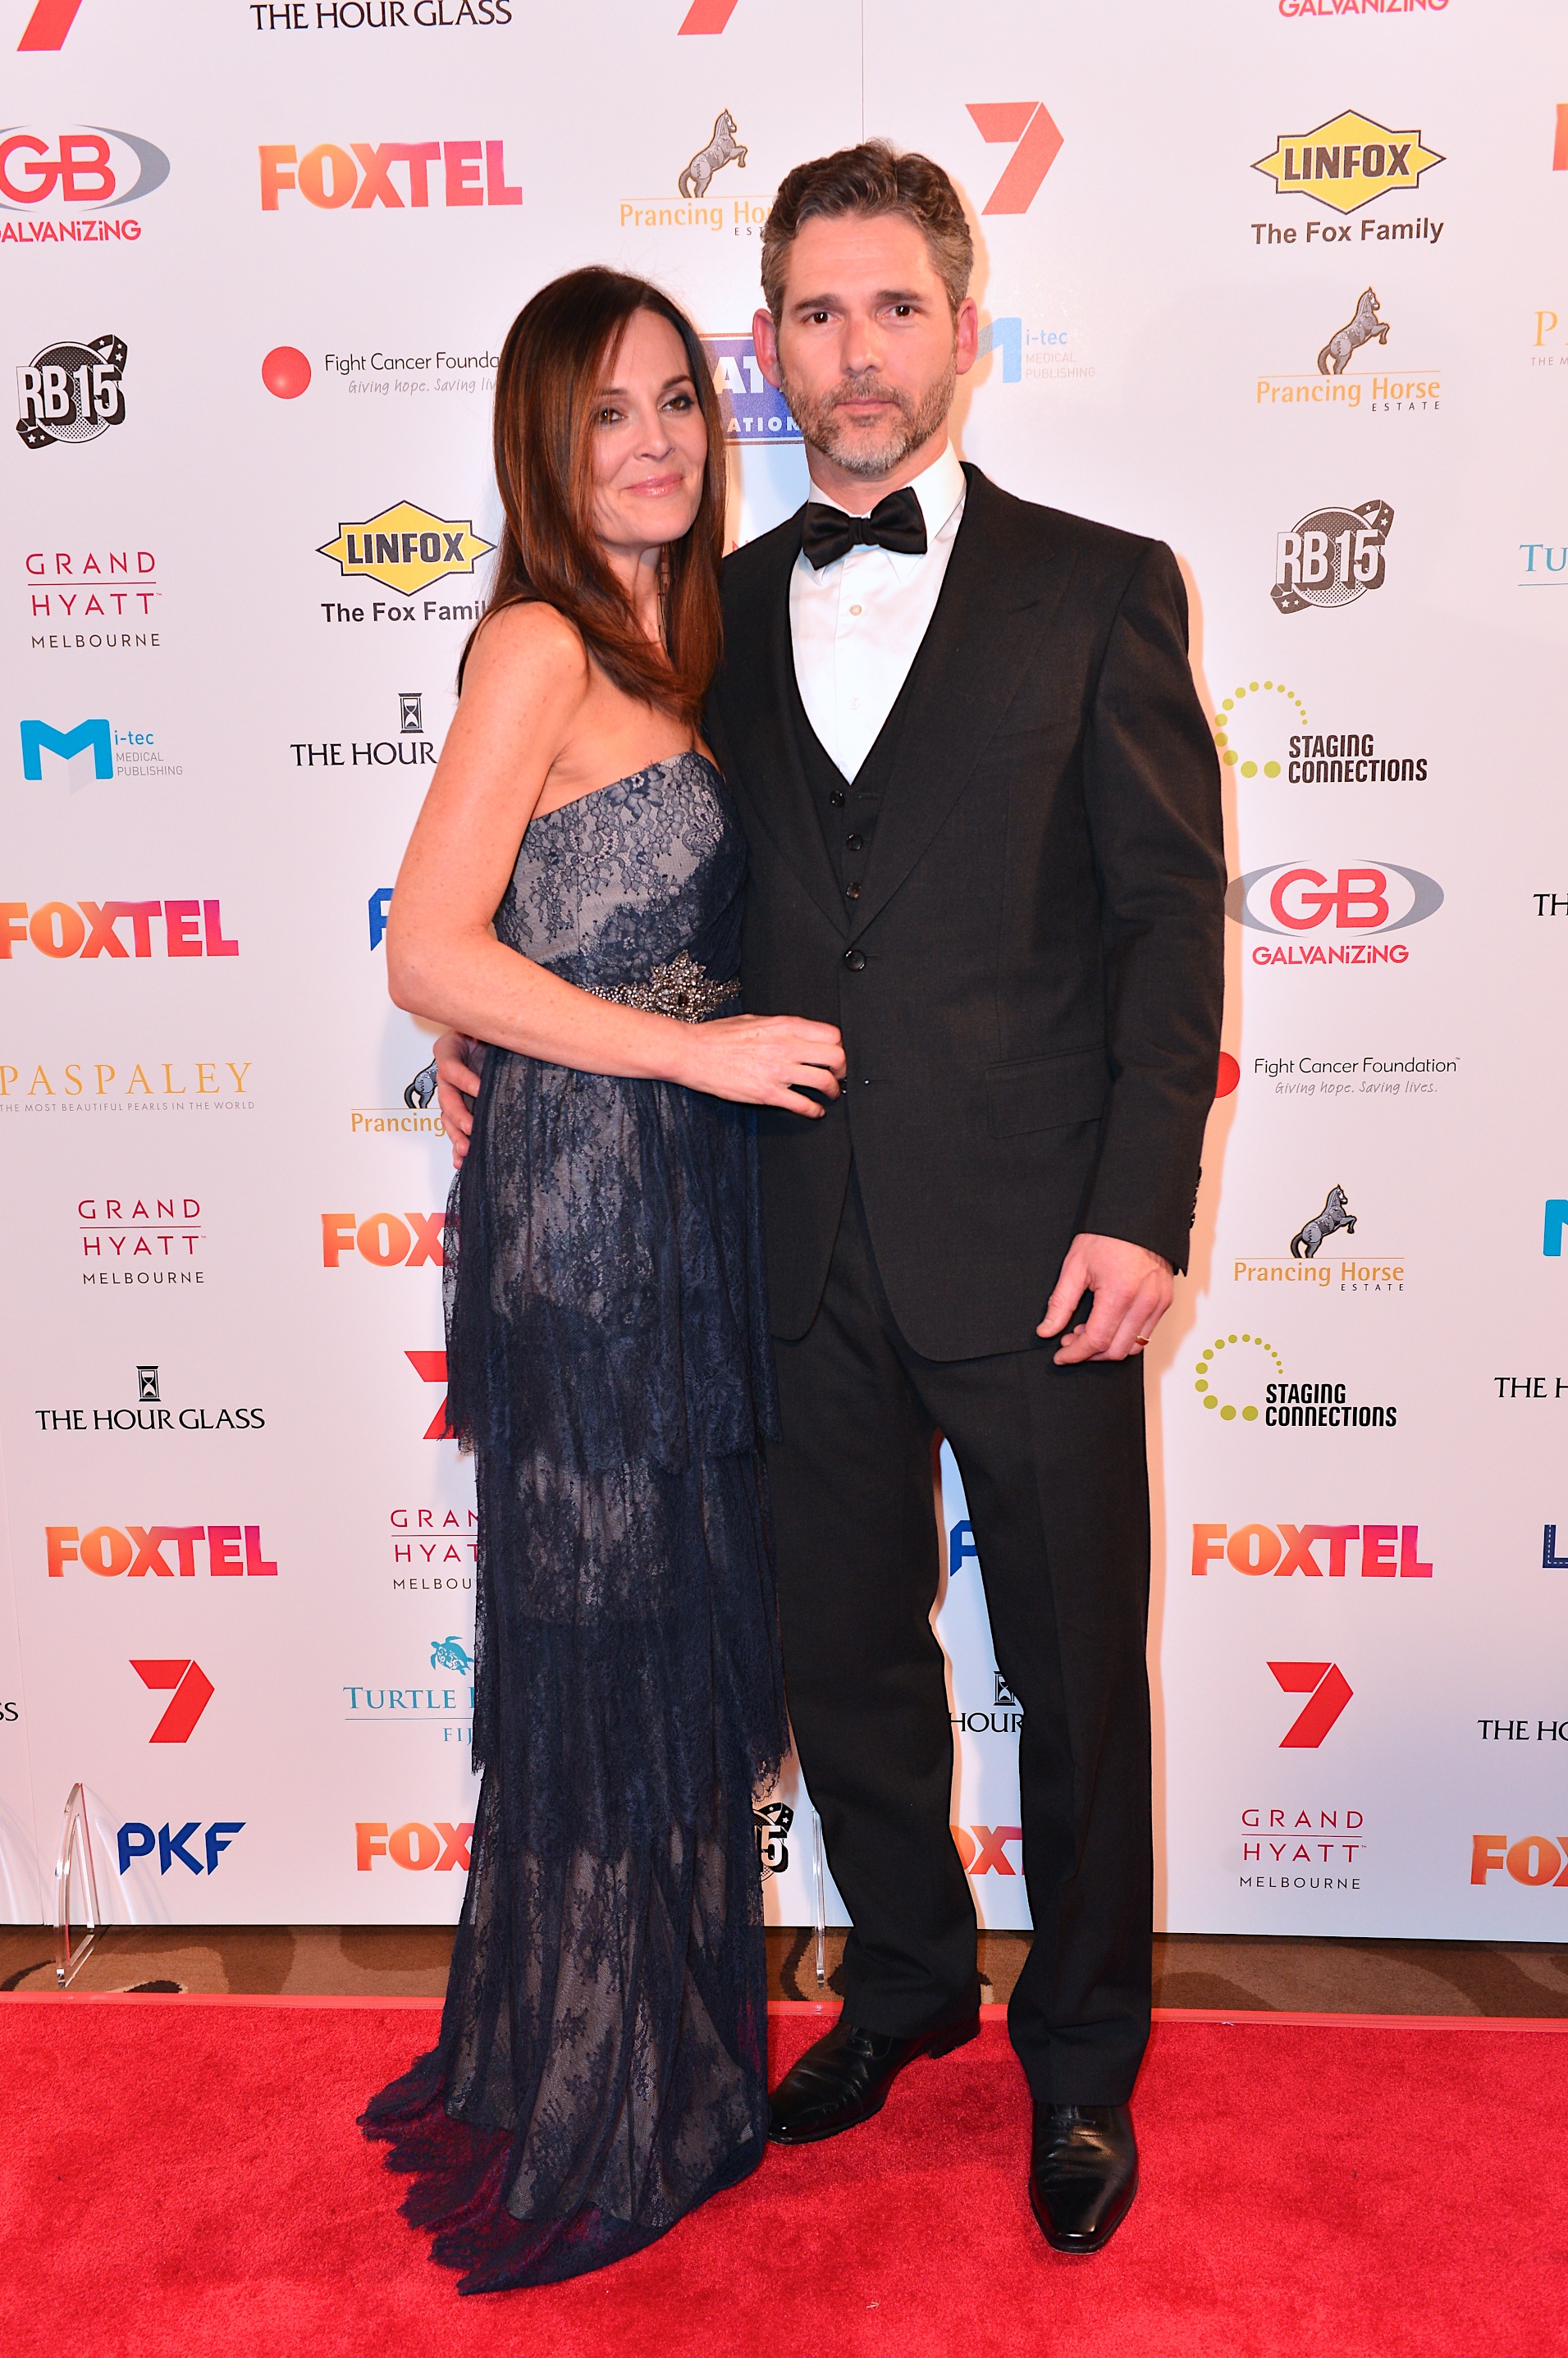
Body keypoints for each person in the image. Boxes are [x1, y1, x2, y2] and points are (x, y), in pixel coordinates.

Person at [440, 142, 1226, 2257]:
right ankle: (902, 1981)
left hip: (1043, 1238)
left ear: (964, 326)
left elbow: (1171, 925)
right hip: (774, 1237)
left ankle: (1080, 2062)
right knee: (851, 1661)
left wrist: (1142, 1206)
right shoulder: (704, 606)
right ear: (767, 347)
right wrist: (485, 1022)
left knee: (1075, 1672)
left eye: (892, 307)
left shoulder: (1101, 584)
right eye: (811, 314)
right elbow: (626, 873)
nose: (852, 354)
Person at [361, 265, 845, 2293]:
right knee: (599, 1649)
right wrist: (679, 1046)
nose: (652, 443)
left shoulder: (683, 645)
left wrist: (643, 1042)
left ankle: (635, 2054)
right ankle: (598, 2093)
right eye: (605, 417)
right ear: (542, 452)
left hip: (692, 1210)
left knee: (660, 1648)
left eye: (675, 403)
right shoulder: (542, 647)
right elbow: (426, 951)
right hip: (588, 1218)